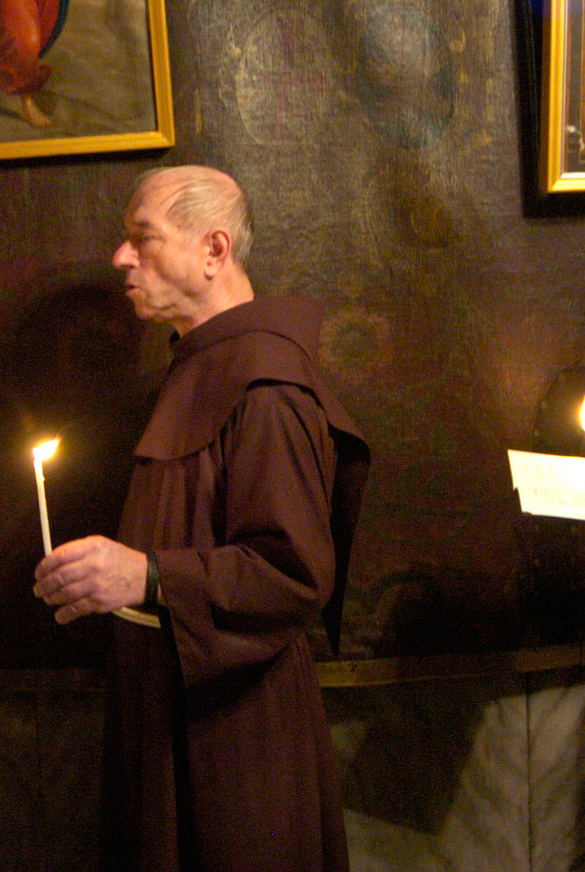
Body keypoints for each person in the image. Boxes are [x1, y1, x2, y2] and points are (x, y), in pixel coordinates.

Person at [31, 165, 369, 872]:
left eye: (142, 238)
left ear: (214, 250)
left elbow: (295, 571)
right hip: (175, 708)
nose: (121, 257)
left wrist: (147, 575)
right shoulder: (201, 363)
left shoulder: (267, 385)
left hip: (234, 727)